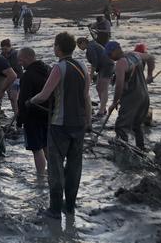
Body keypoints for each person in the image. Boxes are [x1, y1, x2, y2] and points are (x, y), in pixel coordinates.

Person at [29, 32, 91, 218]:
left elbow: (45, 95)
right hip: (79, 124)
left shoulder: (59, 67)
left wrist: (30, 101)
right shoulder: (83, 66)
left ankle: (55, 209)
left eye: (55, 45)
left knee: (56, 168)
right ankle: (70, 207)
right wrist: (87, 120)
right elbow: (86, 97)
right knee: (74, 167)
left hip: (59, 124)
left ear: (58, 47)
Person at [106, 41, 155, 150]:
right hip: (144, 95)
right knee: (136, 125)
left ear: (116, 50)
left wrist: (114, 103)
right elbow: (151, 58)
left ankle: (122, 150)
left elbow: (119, 85)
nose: (110, 57)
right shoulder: (135, 55)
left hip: (132, 97)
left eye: (110, 54)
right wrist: (149, 75)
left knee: (120, 126)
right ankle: (141, 149)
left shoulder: (120, 64)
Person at [17, 47, 51, 176]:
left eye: (21, 60)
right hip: (48, 114)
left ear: (28, 58)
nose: (20, 63)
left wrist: (20, 120)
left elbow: (23, 99)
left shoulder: (27, 76)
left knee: (36, 149)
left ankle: (41, 176)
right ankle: (54, 171)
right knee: (46, 145)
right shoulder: (48, 70)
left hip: (33, 117)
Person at [76, 37, 114, 117]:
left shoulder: (90, 47)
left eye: (79, 45)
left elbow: (95, 62)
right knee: (98, 87)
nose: (79, 48)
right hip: (103, 67)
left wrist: (91, 75)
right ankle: (103, 108)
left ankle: (101, 111)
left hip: (107, 66)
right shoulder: (92, 45)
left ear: (83, 42)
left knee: (103, 88)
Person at [0, 39, 22, 115]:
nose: (4, 50)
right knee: (11, 98)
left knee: (14, 98)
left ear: (10, 47)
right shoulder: (2, 55)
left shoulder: (15, 54)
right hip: (8, 79)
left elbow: (15, 67)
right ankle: (16, 113)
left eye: (5, 49)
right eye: (2, 49)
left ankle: (17, 114)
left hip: (17, 78)